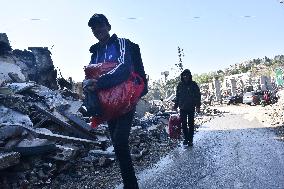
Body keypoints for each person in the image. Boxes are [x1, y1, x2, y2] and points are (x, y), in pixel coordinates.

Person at [84, 13, 148, 189]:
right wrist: (88, 85)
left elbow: (124, 68)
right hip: (107, 104)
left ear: (108, 26)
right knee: (118, 144)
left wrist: (99, 82)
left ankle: (131, 185)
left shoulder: (120, 44)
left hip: (126, 99)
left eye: (100, 25)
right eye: (94, 28)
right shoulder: (95, 53)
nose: (97, 30)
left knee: (120, 140)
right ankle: (129, 182)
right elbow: (91, 74)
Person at [173, 69, 201, 146]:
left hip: (191, 107)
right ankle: (186, 139)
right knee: (184, 124)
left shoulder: (193, 84)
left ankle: (190, 140)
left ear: (189, 76)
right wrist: (175, 106)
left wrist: (198, 106)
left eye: (187, 75)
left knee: (191, 124)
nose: (185, 77)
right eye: (184, 76)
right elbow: (177, 97)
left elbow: (198, 96)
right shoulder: (180, 85)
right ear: (182, 76)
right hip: (182, 108)